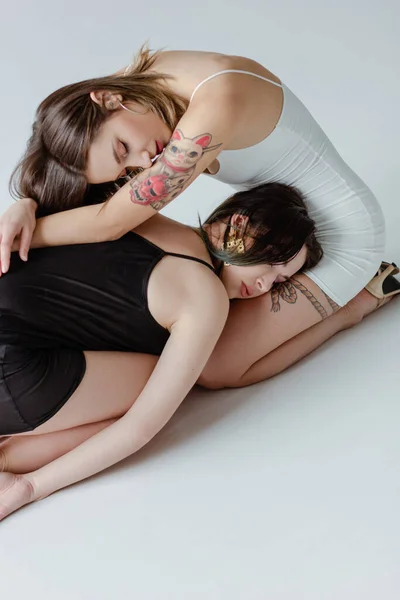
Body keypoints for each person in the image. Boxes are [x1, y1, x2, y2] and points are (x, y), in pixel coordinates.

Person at [0, 182, 327, 519]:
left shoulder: (134, 213)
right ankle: (8, 458)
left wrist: (24, 202)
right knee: (158, 382)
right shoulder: (205, 298)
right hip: (12, 376)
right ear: (241, 223)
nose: (263, 286)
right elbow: (141, 426)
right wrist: (31, 486)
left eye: (279, 282)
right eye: (272, 262)